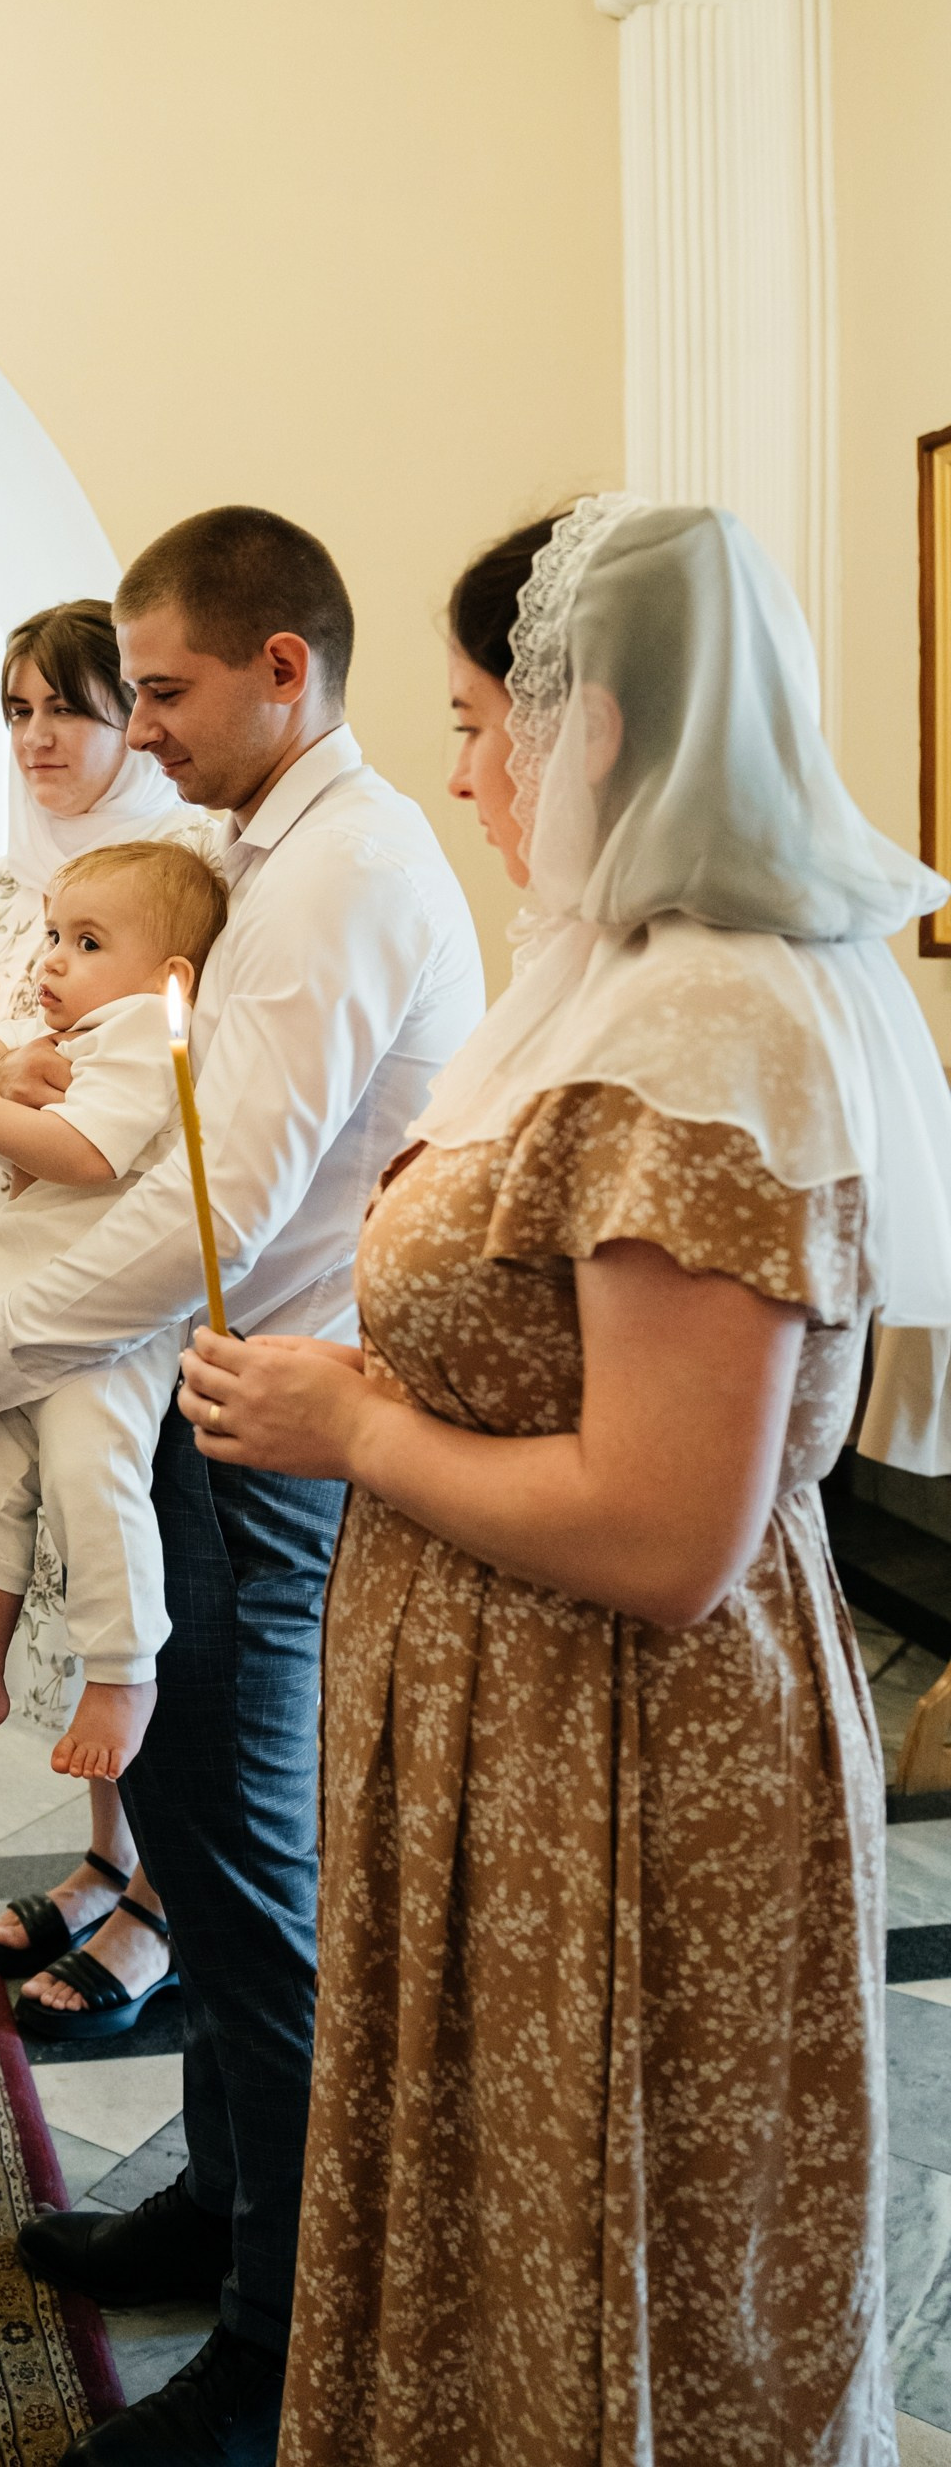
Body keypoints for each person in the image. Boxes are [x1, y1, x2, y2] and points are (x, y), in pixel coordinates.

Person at [181, 494, 951, 2467]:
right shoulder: (600, 979)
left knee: (601, 2258)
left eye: (471, 717)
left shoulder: (705, 1022)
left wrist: (354, 1428)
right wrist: (378, 1370)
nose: (456, 770)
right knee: (491, 2234)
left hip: (619, 1747)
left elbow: (663, 1530)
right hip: (508, 1725)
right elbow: (538, 1344)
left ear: (586, 723)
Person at [0, 508, 483, 2466]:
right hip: (214, 1401)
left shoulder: (338, 873)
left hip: (269, 1416)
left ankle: (285, 2346)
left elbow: (221, 1206)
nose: (136, 726)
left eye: (161, 689)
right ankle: (223, 2208)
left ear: (281, 669)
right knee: (188, 1825)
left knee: (248, 1890)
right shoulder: (255, 857)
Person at [0, 599, 211, 2034]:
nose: (37, 739)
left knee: (102, 1530)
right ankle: (104, 1861)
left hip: (118, 1282)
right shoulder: (15, 886)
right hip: (18, 1254)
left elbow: (132, 1117)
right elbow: (2, 1072)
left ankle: (160, 1903)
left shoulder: (181, 877)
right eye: (16, 710)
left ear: (129, 722)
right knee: (22, 1513)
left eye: (66, 711)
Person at [0, 839, 229, 1783]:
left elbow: (88, 1155)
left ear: (167, 975)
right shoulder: (72, 1039)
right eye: (51, 936)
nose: (52, 960)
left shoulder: (147, 1036)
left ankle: (122, 1675)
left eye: (85, 941)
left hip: (108, 1333)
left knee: (88, 1473)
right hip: (35, 1312)